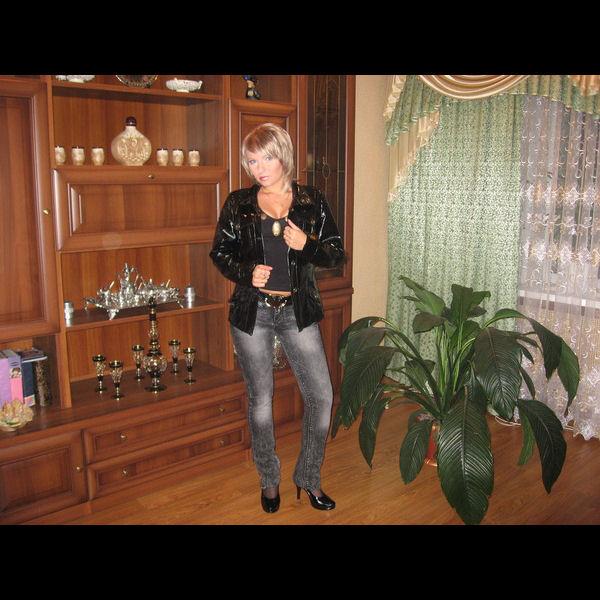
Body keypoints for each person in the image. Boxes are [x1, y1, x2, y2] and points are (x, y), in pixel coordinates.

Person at [210, 123, 344, 513]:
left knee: (321, 396)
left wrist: (307, 245)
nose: (259, 168)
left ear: (283, 155)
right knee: (261, 400)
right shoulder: (238, 203)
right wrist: (245, 272)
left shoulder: (311, 201)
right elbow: (220, 253)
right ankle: (269, 479)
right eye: (252, 161)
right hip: (252, 312)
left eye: (267, 158)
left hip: (297, 312)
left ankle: (309, 477)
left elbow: (335, 254)